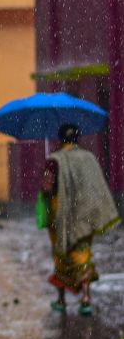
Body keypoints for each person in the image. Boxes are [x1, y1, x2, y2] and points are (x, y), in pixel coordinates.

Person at [41, 123, 120, 315]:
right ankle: (86, 298)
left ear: (60, 140)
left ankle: (61, 300)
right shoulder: (89, 158)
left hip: (62, 216)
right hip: (85, 216)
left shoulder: (54, 161)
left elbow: (47, 188)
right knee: (82, 255)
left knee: (62, 257)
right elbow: (97, 186)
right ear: (77, 139)